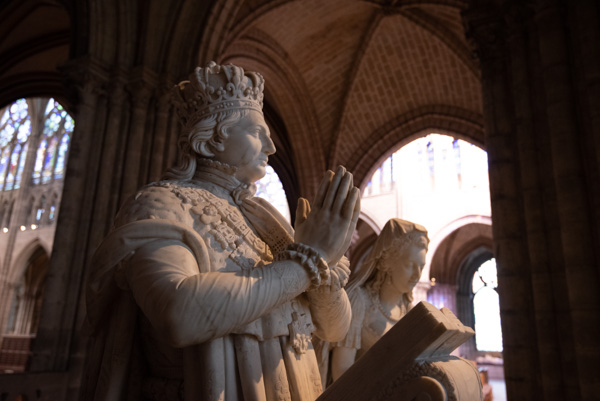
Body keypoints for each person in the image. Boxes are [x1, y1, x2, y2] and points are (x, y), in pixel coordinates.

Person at [83, 61, 360, 401]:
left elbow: (335, 329)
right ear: (211, 136)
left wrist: (321, 265)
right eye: (258, 133)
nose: (271, 148)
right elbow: (178, 313)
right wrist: (308, 262)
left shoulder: (266, 221)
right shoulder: (163, 203)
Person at [328, 218, 429, 382]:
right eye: (410, 265)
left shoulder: (408, 309)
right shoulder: (359, 301)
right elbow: (341, 371)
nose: (417, 275)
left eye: (421, 267)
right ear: (389, 262)